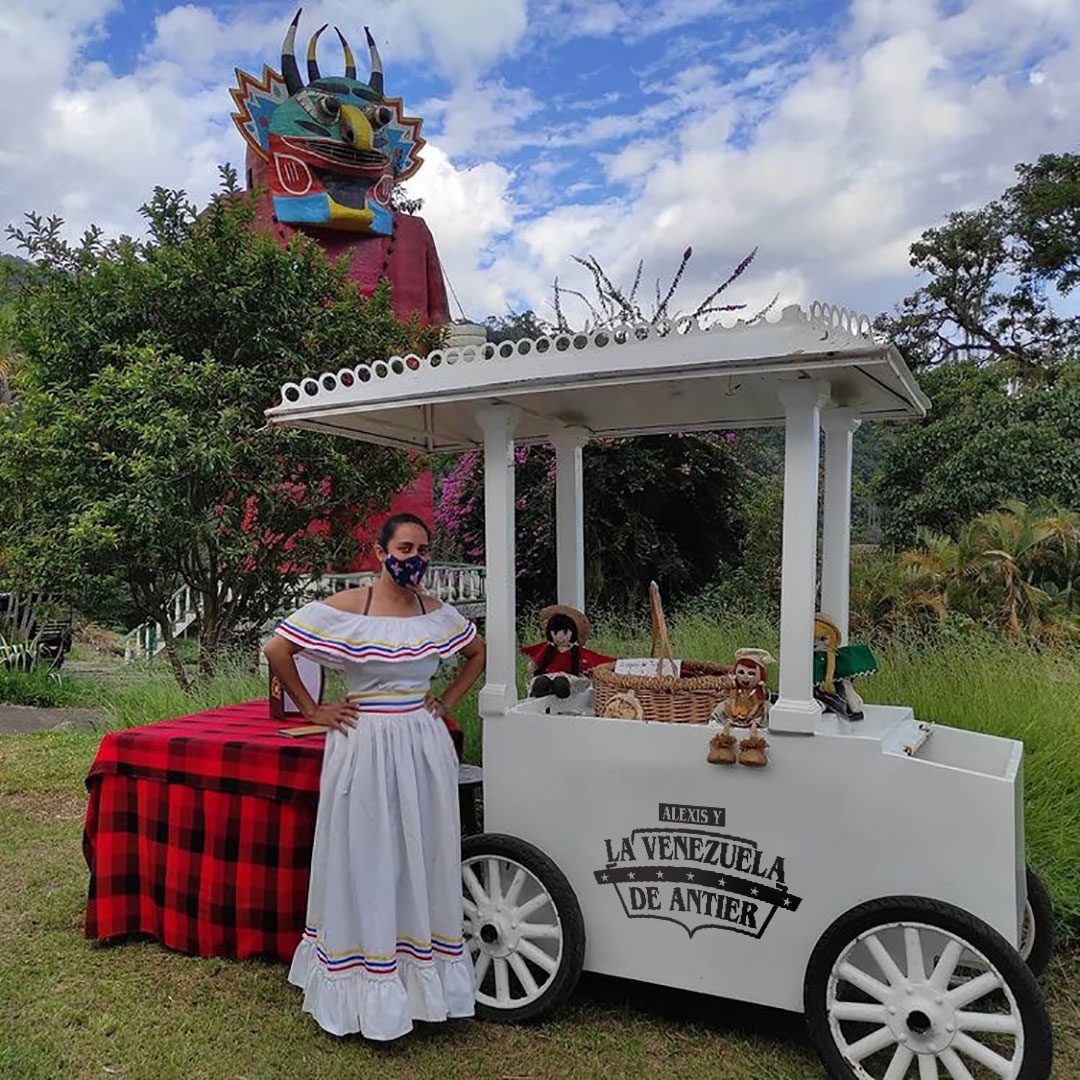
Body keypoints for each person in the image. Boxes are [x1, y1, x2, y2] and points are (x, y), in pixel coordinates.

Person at [263, 513, 486, 1041]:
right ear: (379, 551)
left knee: (423, 849)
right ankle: (364, 979)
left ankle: (421, 979)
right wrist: (313, 709)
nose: (414, 557)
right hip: (362, 741)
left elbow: (477, 653)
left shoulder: (436, 613)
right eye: (405, 546)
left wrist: (449, 699)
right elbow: (278, 648)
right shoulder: (349, 609)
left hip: (421, 741)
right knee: (366, 849)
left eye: (422, 548)